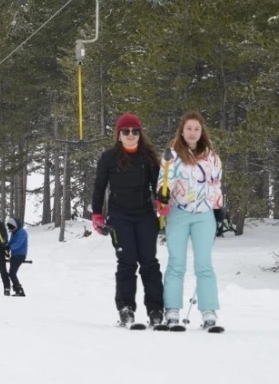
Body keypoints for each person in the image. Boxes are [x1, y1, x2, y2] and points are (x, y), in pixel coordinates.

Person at [91, 113, 164, 327]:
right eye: (126, 131)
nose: (131, 135)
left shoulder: (149, 157)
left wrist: (161, 201)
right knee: (126, 262)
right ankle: (126, 309)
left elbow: (158, 186)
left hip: (144, 215)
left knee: (149, 263)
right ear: (119, 135)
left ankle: (155, 310)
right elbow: (99, 187)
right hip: (119, 216)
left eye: (135, 131)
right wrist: (97, 214)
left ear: (140, 134)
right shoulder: (108, 158)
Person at [157, 111, 223, 329]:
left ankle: (209, 312)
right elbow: (163, 181)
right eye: (189, 129)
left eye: (196, 128)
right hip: (179, 213)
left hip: (204, 214)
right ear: (182, 131)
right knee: (177, 263)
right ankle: (172, 311)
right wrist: (162, 194)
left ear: (201, 131)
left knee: (204, 264)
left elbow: (215, 184)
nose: (193, 133)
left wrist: (218, 209)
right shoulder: (172, 155)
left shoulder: (211, 156)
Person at [6, 217, 28, 297]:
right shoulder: (13, 233)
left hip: (20, 255)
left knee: (12, 273)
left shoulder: (22, 232)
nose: (11, 230)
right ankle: (18, 290)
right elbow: (11, 243)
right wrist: (6, 248)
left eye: (12, 227)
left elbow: (18, 244)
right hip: (14, 255)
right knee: (11, 273)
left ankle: (20, 291)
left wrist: (9, 247)